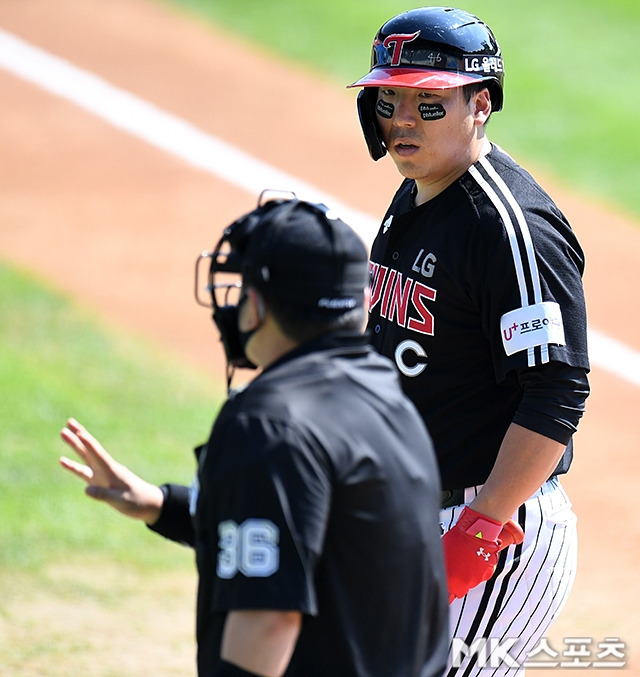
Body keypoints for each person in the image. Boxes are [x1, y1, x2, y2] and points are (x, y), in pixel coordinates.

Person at [59, 195, 449, 677]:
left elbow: (270, 619)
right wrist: (164, 505)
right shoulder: (388, 399)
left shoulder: (268, 423)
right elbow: (324, 534)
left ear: (258, 305)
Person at [348, 7, 590, 675]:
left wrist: (484, 525)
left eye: (428, 103)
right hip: (417, 511)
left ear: (479, 103)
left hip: (491, 523)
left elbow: (557, 388)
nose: (401, 120)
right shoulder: (419, 190)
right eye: (389, 99)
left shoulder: (508, 228)